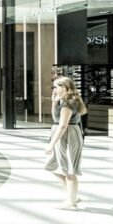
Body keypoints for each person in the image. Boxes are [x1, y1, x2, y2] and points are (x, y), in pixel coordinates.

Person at [47, 76, 85, 209]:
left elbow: (62, 125)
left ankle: (71, 202)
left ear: (65, 88)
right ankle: (72, 195)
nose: (54, 89)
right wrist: (54, 101)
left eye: (56, 87)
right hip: (64, 134)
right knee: (55, 167)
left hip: (68, 135)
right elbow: (56, 120)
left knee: (69, 170)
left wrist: (51, 144)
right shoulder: (63, 101)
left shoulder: (67, 102)